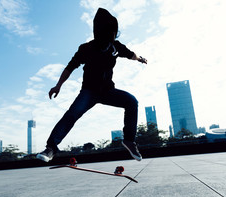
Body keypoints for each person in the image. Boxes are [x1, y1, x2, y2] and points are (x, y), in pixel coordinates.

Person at [37, 8, 147, 162]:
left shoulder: (116, 46)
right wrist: (58, 85)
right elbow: (70, 67)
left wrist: (140, 58)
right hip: (89, 92)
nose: (106, 46)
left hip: (108, 91)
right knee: (72, 115)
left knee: (132, 101)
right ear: (98, 35)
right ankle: (51, 148)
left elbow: (131, 55)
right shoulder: (86, 48)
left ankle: (129, 140)